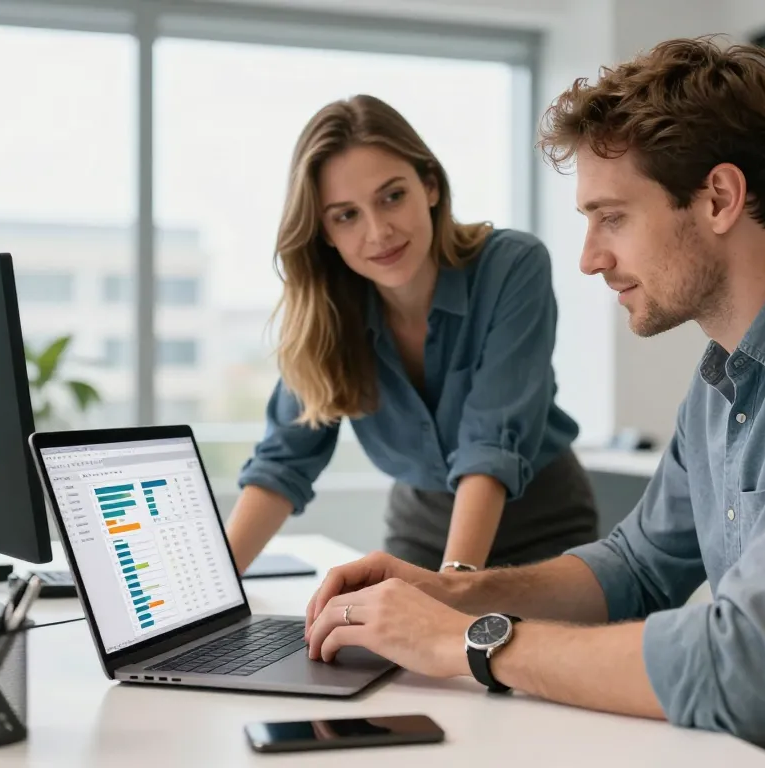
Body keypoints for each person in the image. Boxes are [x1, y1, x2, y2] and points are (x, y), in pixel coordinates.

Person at [301, 37, 765, 768]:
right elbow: (638, 567)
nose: (589, 257)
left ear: (718, 198)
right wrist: (451, 596)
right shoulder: (723, 375)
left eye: (611, 217)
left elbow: (751, 667)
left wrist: (467, 641)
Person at [226, 95, 599, 576]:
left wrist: (451, 591)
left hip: (545, 532)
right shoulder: (328, 316)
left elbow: (491, 447)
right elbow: (283, 464)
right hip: (420, 534)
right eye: (346, 215)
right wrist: (211, 597)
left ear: (429, 186)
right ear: (324, 231)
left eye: (392, 196)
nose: (378, 232)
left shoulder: (511, 266)